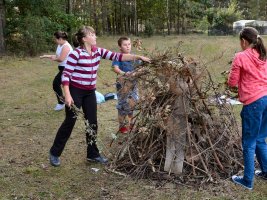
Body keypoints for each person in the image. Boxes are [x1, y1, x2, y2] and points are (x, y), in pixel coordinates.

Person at [49, 26, 150, 166]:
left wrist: (138, 56)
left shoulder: (98, 51)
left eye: (95, 34)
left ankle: (92, 154)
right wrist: (67, 95)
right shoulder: (76, 54)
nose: (95, 37)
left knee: (92, 123)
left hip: (90, 92)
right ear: (84, 39)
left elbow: (118, 56)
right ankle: (54, 152)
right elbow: (66, 75)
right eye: (92, 34)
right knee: (70, 121)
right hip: (75, 91)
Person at [228, 27, 267, 190]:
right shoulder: (264, 55)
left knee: (249, 142)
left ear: (244, 41)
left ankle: (247, 180)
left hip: (254, 102)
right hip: (266, 98)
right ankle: (266, 171)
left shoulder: (240, 57)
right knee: (260, 138)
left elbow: (231, 83)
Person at [112, 36, 140, 134]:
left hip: (133, 84)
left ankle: (131, 123)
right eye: (125, 45)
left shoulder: (135, 57)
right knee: (123, 105)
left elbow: (140, 68)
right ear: (120, 47)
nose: (128, 46)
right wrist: (124, 73)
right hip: (122, 84)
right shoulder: (118, 57)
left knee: (133, 103)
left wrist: (138, 72)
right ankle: (122, 126)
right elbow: (115, 68)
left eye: (129, 44)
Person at [40, 31, 73, 111]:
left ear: (60, 38)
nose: (55, 40)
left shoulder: (66, 46)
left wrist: (54, 59)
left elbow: (61, 59)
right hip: (62, 68)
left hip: (67, 68)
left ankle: (62, 103)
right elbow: (58, 56)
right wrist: (47, 56)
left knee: (56, 84)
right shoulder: (60, 45)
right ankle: (67, 101)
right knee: (66, 86)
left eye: (56, 39)